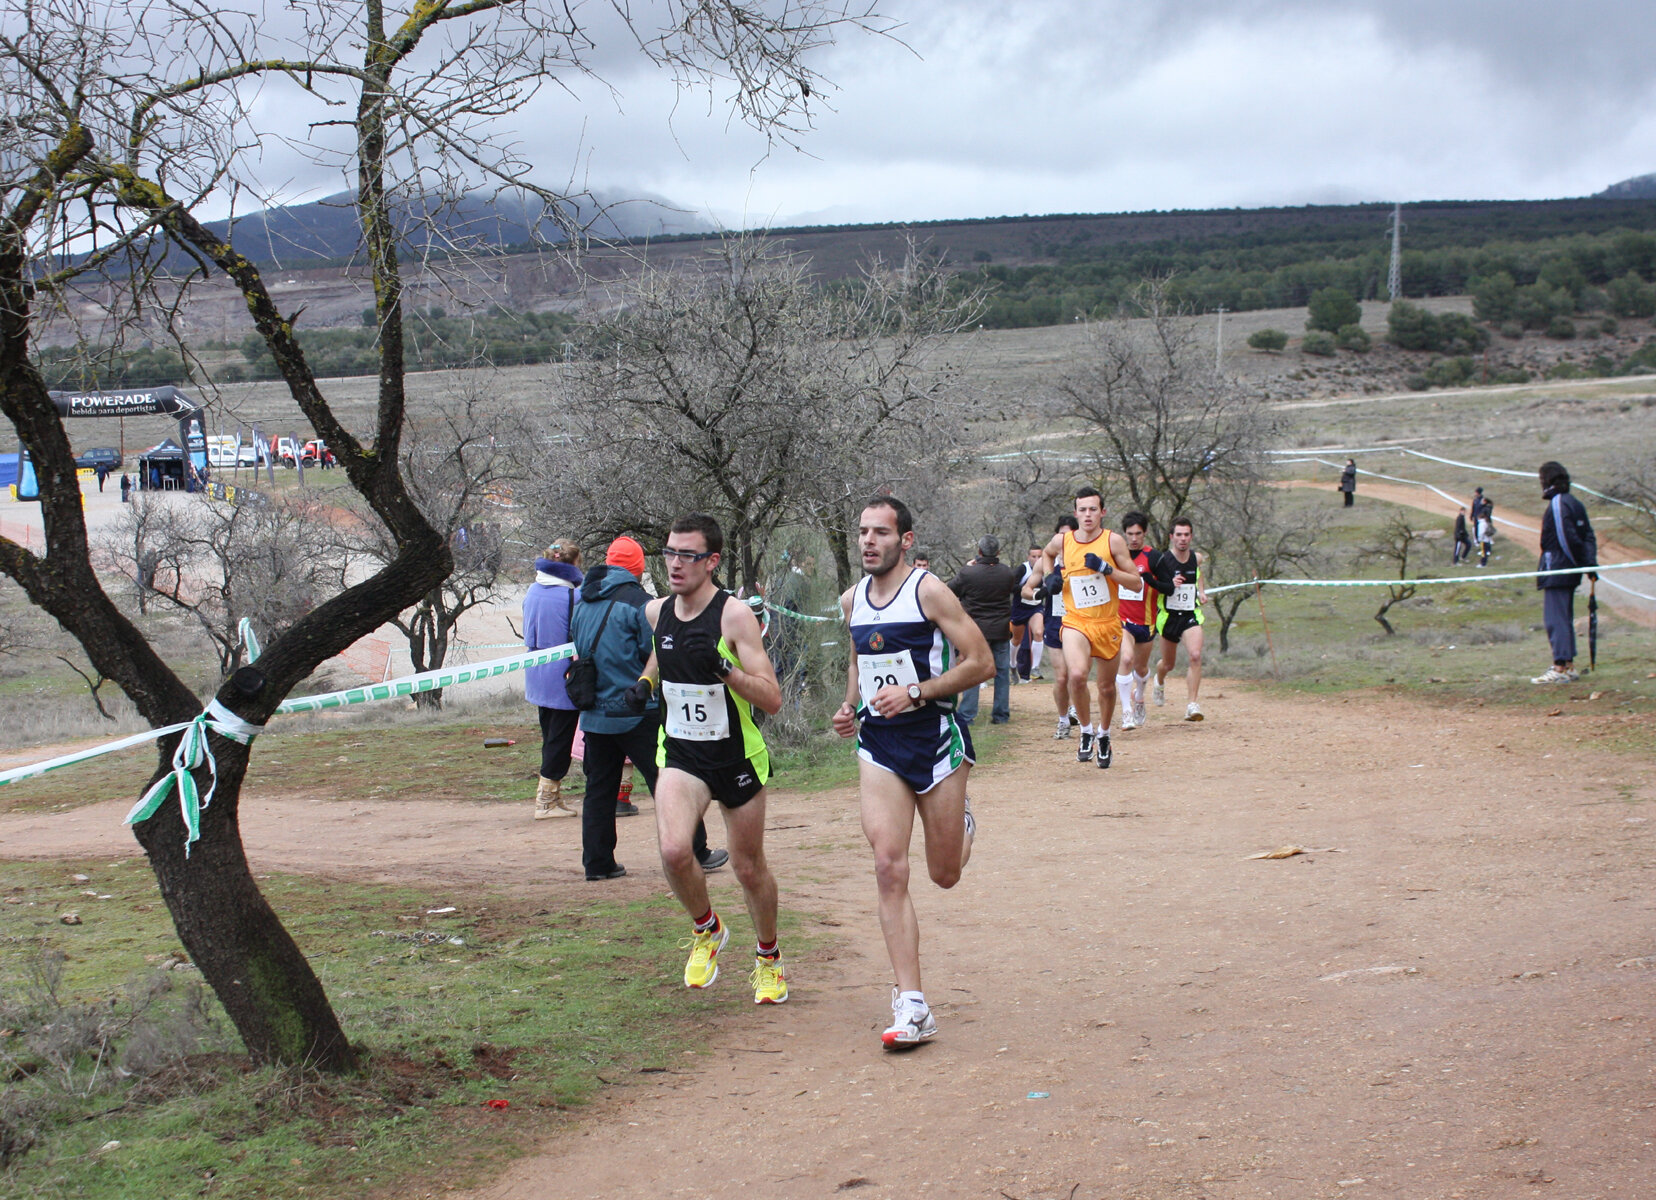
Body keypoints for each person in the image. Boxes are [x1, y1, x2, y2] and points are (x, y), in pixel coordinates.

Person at [832, 495, 993, 1048]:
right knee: (887, 865)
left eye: (880, 532)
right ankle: (912, 1003)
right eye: (862, 532)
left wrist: (917, 691)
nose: (868, 541)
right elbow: (860, 658)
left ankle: (961, 824)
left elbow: (981, 662)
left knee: (943, 873)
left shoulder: (927, 591)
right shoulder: (851, 599)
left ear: (906, 540)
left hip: (936, 740)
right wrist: (851, 705)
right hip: (880, 746)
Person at [632, 513, 787, 1003]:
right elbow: (662, 652)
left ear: (712, 561)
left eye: (687, 555)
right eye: (669, 554)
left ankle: (769, 959)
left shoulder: (734, 615)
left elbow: (772, 698)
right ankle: (707, 928)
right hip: (680, 754)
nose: (675, 564)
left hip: (737, 758)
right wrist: (645, 683)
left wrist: (725, 670)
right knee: (676, 851)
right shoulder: (655, 612)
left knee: (747, 868)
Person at [574, 536, 729, 881]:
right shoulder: (641, 605)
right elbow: (660, 653)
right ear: (638, 567)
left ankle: (597, 863)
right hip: (636, 711)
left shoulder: (583, 600)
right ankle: (697, 851)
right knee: (670, 782)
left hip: (594, 713)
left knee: (599, 789)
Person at [1030, 487, 1141, 768]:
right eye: (1083, 509)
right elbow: (1047, 553)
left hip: (1107, 624)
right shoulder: (1064, 540)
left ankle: (1103, 734)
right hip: (1075, 621)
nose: (1088, 515)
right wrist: (1051, 576)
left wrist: (1107, 569)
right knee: (1077, 676)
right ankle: (1086, 731)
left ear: (1102, 512)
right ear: (1076, 512)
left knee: (1105, 687)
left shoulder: (1113, 542)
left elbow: (1136, 582)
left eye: (1093, 509)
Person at [524, 540, 583, 819]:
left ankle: (552, 795)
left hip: (536, 673)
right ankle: (545, 800)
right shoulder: (573, 596)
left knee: (550, 735)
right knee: (561, 738)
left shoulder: (532, 590)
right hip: (562, 676)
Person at [1532, 461, 1598, 684]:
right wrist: (1588, 564)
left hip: (1558, 567)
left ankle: (1560, 667)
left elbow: (1565, 537)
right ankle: (1568, 665)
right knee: (1564, 617)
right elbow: (1588, 536)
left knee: (1555, 618)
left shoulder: (1559, 503)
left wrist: (1579, 564)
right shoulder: (1575, 503)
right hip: (1567, 568)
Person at [948, 535, 1020, 726]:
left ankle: (967, 714)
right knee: (1002, 672)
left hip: (976, 631)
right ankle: (1001, 714)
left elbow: (949, 590)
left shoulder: (969, 573)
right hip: (1001, 630)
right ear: (998, 552)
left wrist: (969, 567)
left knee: (973, 671)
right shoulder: (1007, 573)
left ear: (979, 552)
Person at [1150, 517, 1209, 722]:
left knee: (1195, 655)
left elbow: (1199, 574)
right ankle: (1159, 679)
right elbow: (1153, 584)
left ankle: (1192, 704)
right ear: (1171, 537)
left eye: (1186, 535)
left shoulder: (1197, 557)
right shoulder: (1162, 561)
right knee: (1168, 664)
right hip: (1168, 618)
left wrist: (1201, 592)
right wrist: (1167, 584)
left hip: (1191, 615)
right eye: (1179, 535)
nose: (1183, 539)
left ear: (1191, 536)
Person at [1113, 512, 1161, 731]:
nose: (1133, 538)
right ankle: (1126, 711)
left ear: (1145, 533)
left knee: (1141, 668)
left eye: (1138, 534)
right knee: (1126, 658)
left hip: (1146, 621)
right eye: (1130, 534)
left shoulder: (1153, 557)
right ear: (1124, 534)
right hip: (1121, 619)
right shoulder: (1116, 557)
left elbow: (1167, 583)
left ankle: (1139, 697)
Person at [1039, 515, 1081, 739]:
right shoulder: (1047, 563)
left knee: (1076, 675)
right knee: (1062, 676)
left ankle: (1078, 713)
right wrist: (1044, 588)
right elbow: (1026, 590)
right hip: (1054, 624)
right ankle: (1063, 719)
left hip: (1078, 624)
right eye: (1060, 535)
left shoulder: (1083, 561)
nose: (1064, 539)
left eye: (1068, 535)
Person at [1010, 546, 1046, 683]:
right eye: (1033, 556)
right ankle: (1012, 665)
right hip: (1020, 608)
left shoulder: (1045, 569)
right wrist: (1026, 590)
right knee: (1016, 640)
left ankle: (1035, 668)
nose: (1037, 560)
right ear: (1028, 557)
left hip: (1035, 608)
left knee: (1038, 632)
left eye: (1039, 557)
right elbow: (1011, 586)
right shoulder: (1022, 569)